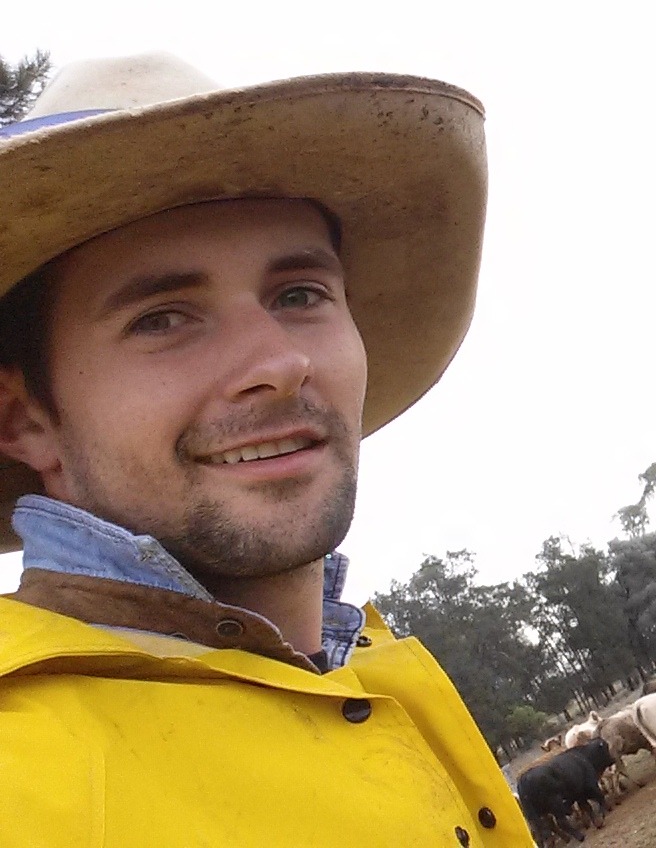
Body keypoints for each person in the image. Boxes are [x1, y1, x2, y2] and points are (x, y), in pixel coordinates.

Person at [0, 54, 535, 845]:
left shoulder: (371, 662)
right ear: (22, 421)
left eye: (299, 295)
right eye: (164, 318)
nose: (281, 364)